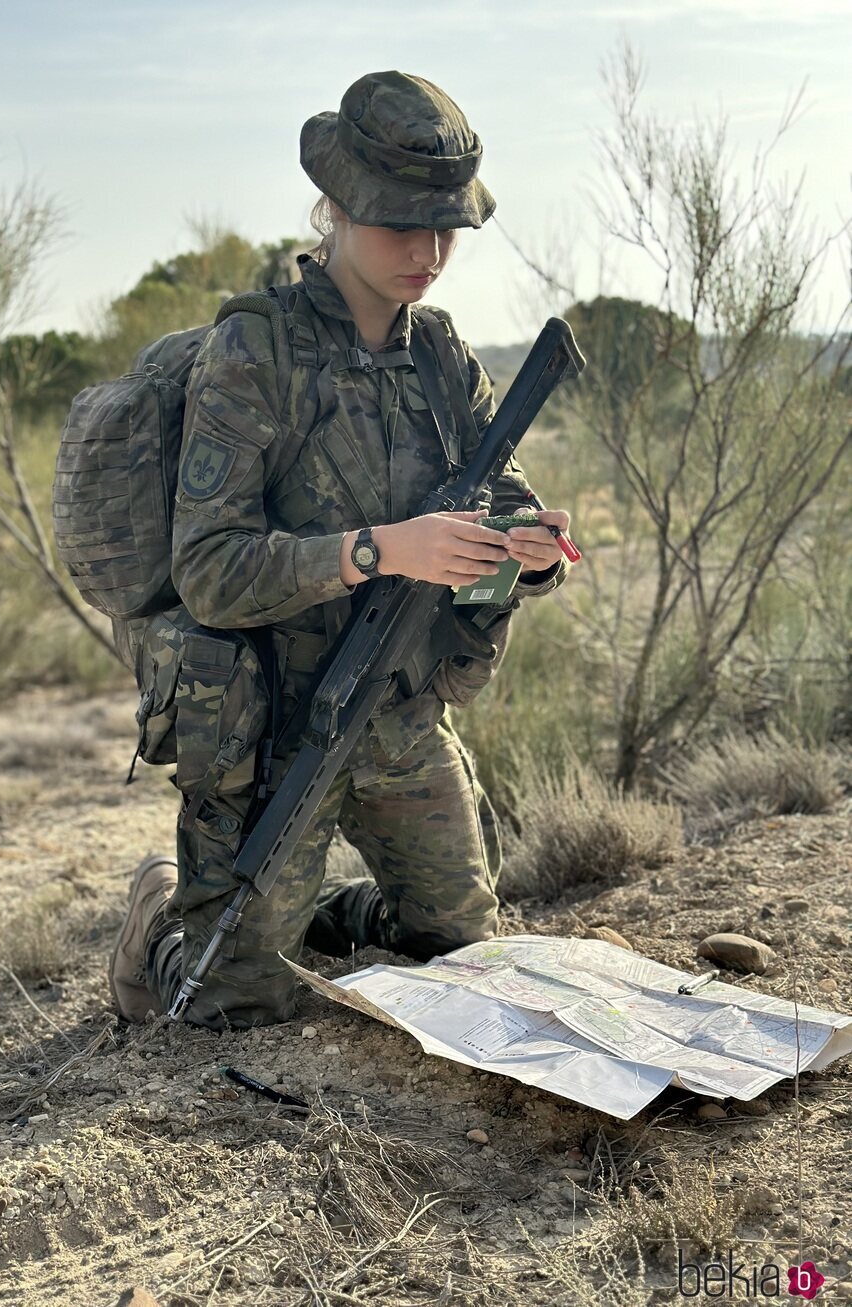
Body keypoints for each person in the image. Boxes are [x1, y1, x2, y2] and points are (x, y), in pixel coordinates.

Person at [109, 70, 571, 1030]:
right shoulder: (254, 351)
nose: (428, 250)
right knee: (234, 1004)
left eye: (446, 226)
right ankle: (160, 922)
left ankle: (323, 914)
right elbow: (211, 569)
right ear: (336, 210)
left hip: (397, 712)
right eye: (402, 223)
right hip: (273, 723)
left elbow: (504, 512)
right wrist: (381, 548)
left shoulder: (442, 356)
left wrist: (526, 555)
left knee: (460, 960)